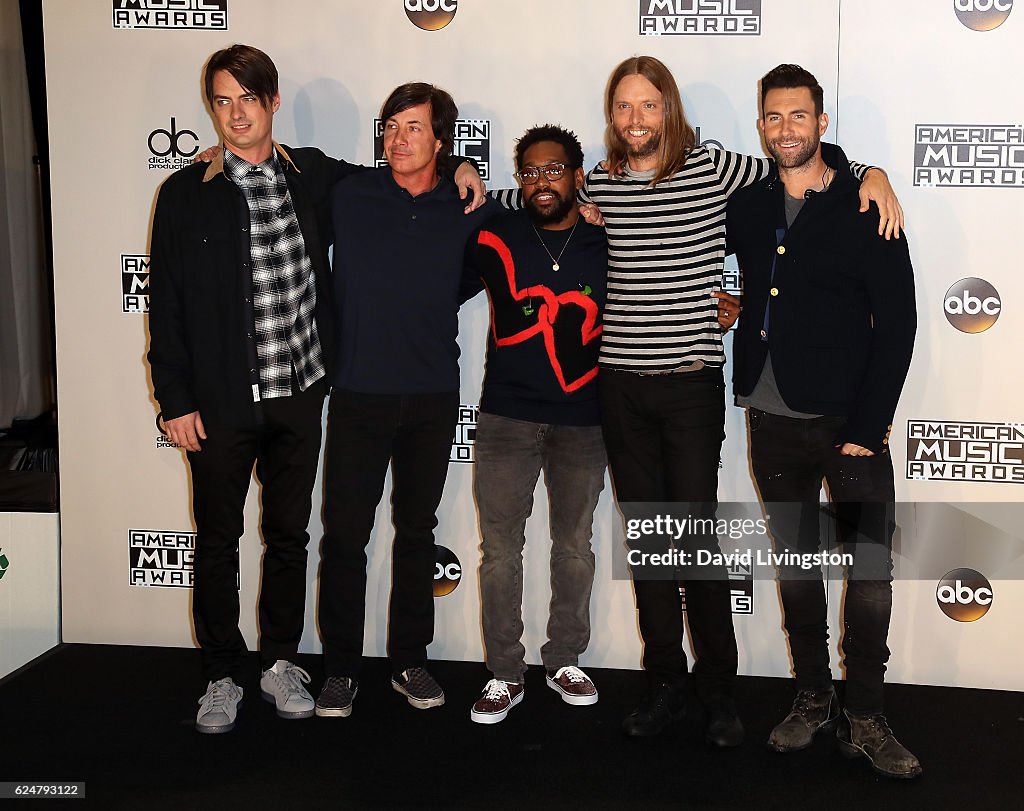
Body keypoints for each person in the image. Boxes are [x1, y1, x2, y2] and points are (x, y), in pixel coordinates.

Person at [583, 56, 903, 747]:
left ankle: (723, 692)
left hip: (701, 386)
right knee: (655, 544)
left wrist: (867, 171)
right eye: (624, 107)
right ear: (611, 115)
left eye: (649, 105)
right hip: (626, 387)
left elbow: (808, 169)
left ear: (670, 108)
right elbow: (539, 196)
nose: (637, 119)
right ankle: (667, 683)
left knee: (704, 544)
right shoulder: (599, 183)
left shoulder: (722, 172)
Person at [148, 44, 359, 734]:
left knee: (289, 535)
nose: (236, 114)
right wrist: (173, 398)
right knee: (217, 538)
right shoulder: (185, 193)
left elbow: (395, 184)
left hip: (299, 389)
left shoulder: (313, 175)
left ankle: (277, 661)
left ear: (271, 101)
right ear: (212, 107)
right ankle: (219, 673)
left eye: (248, 98)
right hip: (218, 403)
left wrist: (460, 168)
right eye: (222, 100)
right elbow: (167, 302)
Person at [726, 63, 919, 779]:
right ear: (761, 125)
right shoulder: (746, 205)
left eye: (798, 116)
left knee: (868, 571)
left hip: (850, 423)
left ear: (822, 123)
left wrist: (869, 425)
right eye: (773, 117)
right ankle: (812, 695)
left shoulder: (868, 206)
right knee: (798, 567)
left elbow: (898, 324)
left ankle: (865, 712)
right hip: (770, 418)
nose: (785, 129)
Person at [314, 83, 497, 718]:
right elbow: (279, 160)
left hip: (431, 397)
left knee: (417, 533)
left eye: (414, 129)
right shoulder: (351, 192)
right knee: (345, 536)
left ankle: (409, 663)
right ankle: (339, 670)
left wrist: (462, 172)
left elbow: (522, 238)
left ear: (441, 141)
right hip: (359, 393)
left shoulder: (467, 203)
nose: (397, 139)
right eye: (391, 127)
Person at [464, 125, 608, 724]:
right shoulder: (494, 229)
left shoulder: (611, 236)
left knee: (574, 547)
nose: (541, 182)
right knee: (500, 551)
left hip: (584, 418)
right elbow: (428, 193)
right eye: (529, 171)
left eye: (554, 170)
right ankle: (504, 672)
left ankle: (564, 656)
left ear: (579, 175)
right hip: (505, 415)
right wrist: (454, 168)